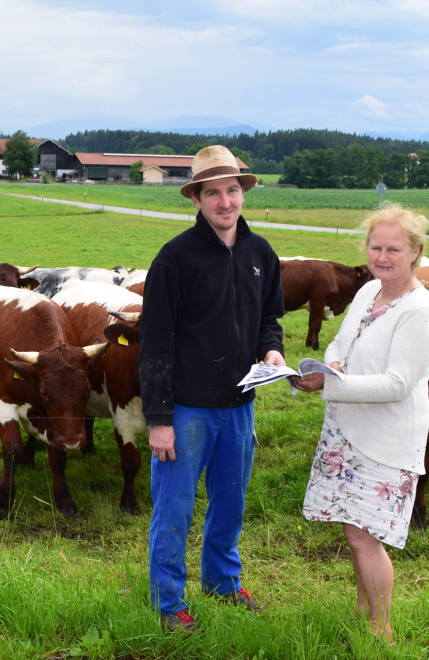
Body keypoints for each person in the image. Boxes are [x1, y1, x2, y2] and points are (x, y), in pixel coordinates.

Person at [139, 145, 286, 633]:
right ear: (197, 200)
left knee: (230, 502)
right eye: (213, 193)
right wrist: (159, 421)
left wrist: (272, 352)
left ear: (242, 192)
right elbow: (155, 343)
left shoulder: (261, 253)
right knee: (175, 509)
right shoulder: (175, 259)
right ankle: (168, 603)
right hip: (187, 411)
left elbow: (269, 319)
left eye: (232, 190)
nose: (225, 202)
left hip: (239, 407)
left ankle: (222, 581)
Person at [292, 204, 429, 642]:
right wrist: (330, 364)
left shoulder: (421, 309)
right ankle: (363, 607)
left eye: (394, 249)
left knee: (365, 535)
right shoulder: (368, 292)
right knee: (351, 527)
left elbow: (397, 384)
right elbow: (340, 341)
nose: (383, 256)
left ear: (415, 251)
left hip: (386, 436)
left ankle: (382, 628)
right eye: (376, 247)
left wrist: (329, 385)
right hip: (347, 428)